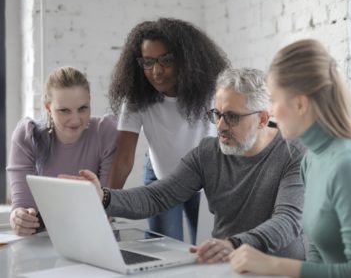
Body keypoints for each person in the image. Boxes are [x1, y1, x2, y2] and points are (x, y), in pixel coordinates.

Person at [64, 68, 306, 263]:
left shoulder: (293, 154)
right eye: (217, 114)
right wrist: (103, 197)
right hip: (226, 267)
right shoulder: (208, 152)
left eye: (232, 117)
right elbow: (156, 197)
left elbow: (287, 221)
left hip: (279, 270)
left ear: (262, 118)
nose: (220, 126)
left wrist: (233, 244)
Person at [229, 40, 351, 277]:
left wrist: (272, 264)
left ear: (300, 104)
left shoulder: (348, 165)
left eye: (273, 100)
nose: (270, 111)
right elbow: (317, 253)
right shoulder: (311, 159)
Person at [107, 18, 229, 244]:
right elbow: (123, 159)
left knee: (206, 248)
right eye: (148, 61)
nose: (156, 71)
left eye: (166, 60)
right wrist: (106, 208)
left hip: (206, 181)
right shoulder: (136, 97)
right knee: (162, 249)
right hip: (161, 179)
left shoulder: (212, 90)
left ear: (186, 59)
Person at [7, 66, 117, 236]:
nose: (75, 120)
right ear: (48, 107)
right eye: (64, 110)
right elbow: (23, 206)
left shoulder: (105, 132)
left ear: (90, 101)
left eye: (83, 108)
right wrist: (19, 218)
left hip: (94, 235)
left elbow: (107, 205)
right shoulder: (28, 136)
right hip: (43, 236)